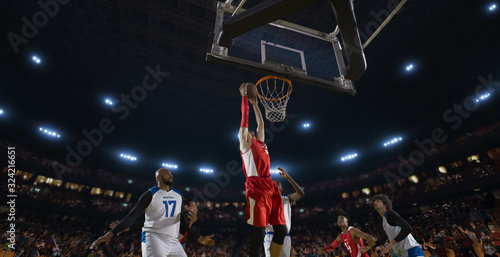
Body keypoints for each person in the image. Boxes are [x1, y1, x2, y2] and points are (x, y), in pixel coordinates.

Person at [90, 168, 187, 257]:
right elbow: (132, 216)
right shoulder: (149, 194)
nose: (171, 175)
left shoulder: (178, 194)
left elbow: (179, 219)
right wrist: (110, 234)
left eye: (171, 173)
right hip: (154, 238)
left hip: (173, 240)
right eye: (167, 174)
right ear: (159, 177)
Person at [238, 82, 287, 257]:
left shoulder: (261, 142)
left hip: (270, 184)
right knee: (259, 232)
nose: (251, 131)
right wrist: (245, 97)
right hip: (256, 186)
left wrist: (256, 104)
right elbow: (245, 119)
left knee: (281, 230)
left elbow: (261, 126)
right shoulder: (245, 142)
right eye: (248, 131)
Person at [263, 167, 305, 257]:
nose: (276, 185)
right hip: (271, 234)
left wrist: (288, 178)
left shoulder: (287, 198)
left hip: (286, 236)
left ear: (281, 188)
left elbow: (301, 193)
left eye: (278, 184)